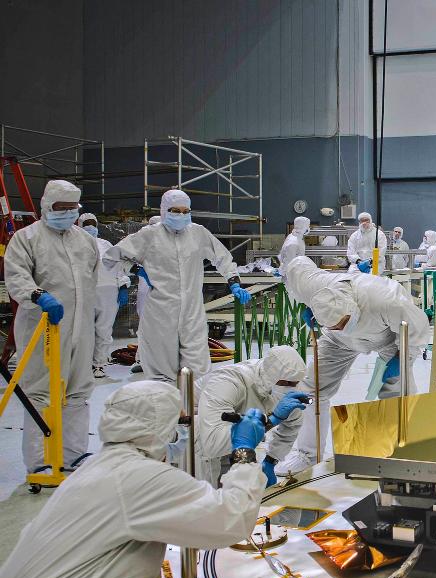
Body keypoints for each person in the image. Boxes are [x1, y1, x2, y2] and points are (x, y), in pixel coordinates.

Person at [0, 381, 267, 578]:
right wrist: (244, 454)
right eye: (182, 422)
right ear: (160, 427)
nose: (184, 431)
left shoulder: (96, 468)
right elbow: (232, 519)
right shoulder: (135, 476)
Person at [269, 242, 431, 475]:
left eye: (343, 322)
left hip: (389, 339)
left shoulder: (386, 299)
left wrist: (402, 358)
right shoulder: (315, 287)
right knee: (311, 389)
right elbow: (296, 267)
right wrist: (307, 305)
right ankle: (307, 455)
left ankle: (405, 449)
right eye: (334, 324)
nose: (341, 326)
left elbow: (417, 329)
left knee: (397, 390)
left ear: (351, 308)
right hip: (338, 342)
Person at [103, 189, 251, 383]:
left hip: (192, 312)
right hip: (161, 312)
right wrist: (136, 269)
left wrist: (234, 283)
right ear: (164, 210)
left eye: (185, 211)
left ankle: (195, 402)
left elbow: (222, 258)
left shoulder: (198, 233)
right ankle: (166, 401)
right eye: (175, 211)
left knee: (198, 373)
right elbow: (111, 257)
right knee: (161, 373)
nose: (181, 215)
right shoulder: (149, 235)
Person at [4, 180, 98, 474]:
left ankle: (73, 455)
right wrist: (37, 295)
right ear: (46, 206)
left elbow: (91, 280)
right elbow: (16, 275)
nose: (67, 213)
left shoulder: (84, 241)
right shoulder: (27, 238)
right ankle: (40, 461)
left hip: (80, 327)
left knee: (78, 391)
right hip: (42, 328)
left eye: (72, 208)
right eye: (61, 207)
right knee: (40, 393)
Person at [196, 345, 309, 487]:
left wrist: (270, 460)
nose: (290, 387)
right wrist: (271, 421)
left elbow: (292, 426)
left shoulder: (288, 389)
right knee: (209, 491)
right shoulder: (228, 381)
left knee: (238, 486)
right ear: (271, 376)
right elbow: (212, 443)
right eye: (286, 383)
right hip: (198, 434)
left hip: (232, 436)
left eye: (295, 383)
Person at [79, 213, 131, 379]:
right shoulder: (75, 244)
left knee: (104, 329)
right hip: (84, 291)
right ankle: (82, 365)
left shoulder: (105, 244)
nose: (90, 227)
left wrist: (123, 285)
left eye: (92, 224)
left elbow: (118, 266)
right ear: (80, 226)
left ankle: (99, 364)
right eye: (86, 224)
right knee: (83, 330)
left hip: (108, 290)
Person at [130, 215, 161, 374]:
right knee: (145, 325)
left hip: (166, 290)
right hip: (146, 289)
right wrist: (138, 270)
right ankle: (142, 359)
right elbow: (125, 258)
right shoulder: (141, 242)